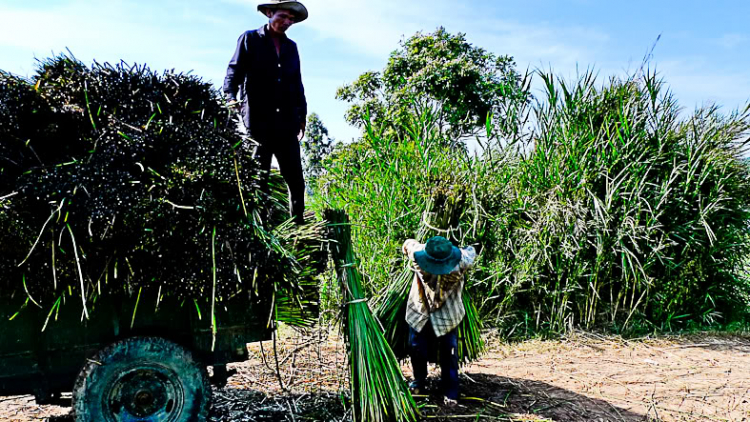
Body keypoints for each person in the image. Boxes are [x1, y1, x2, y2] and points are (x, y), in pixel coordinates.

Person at [223, 0, 308, 224]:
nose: (287, 22)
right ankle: (260, 228)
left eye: (291, 19)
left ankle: (297, 226)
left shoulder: (291, 48)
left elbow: (296, 83)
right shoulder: (250, 39)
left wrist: (302, 117)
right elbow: (234, 71)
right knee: (259, 178)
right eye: (283, 16)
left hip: (286, 122)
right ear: (269, 13)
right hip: (258, 122)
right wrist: (231, 98)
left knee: (296, 180)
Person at [402, 236, 476, 406]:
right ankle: (419, 384)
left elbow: (408, 244)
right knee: (416, 349)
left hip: (447, 316)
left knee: (449, 353)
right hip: (421, 311)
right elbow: (471, 251)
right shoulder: (460, 260)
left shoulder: (457, 263)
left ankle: (451, 391)